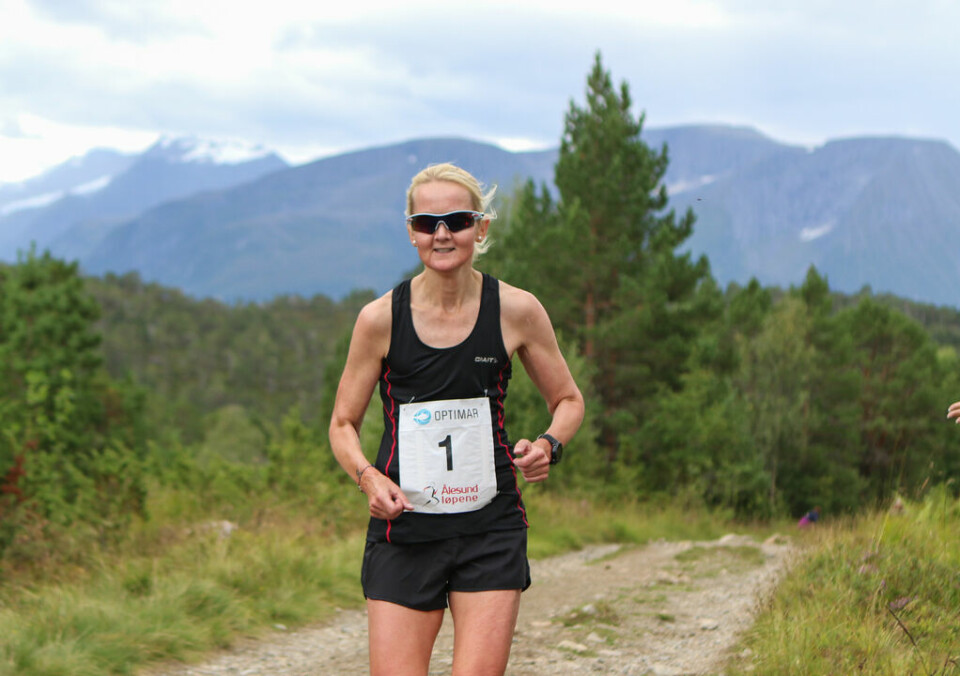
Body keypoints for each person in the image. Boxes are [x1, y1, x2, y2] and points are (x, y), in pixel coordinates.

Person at [329, 163, 585, 676]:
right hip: (404, 528)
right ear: (411, 233)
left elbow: (569, 400)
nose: (442, 233)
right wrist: (367, 476)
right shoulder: (380, 319)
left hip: (489, 528)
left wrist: (548, 445)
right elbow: (342, 424)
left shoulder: (516, 310)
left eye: (457, 220)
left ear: (481, 227)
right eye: (427, 223)